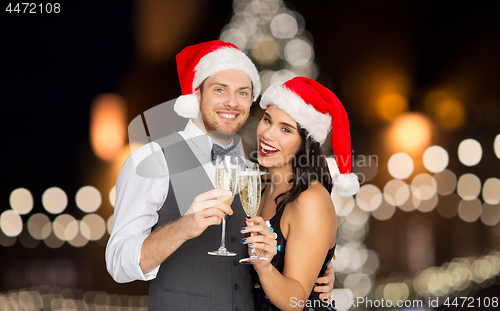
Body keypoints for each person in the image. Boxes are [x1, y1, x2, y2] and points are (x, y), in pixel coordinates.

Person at [105, 41, 335, 310]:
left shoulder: (254, 172)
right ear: (197, 94)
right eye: (219, 89)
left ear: (251, 102)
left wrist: (321, 270)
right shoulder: (153, 159)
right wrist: (183, 228)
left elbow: (298, 238)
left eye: (242, 93)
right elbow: (118, 264)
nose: (231, 102)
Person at [241, 77, 359, 310]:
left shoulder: (310, 200)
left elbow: (296, 300)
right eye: (267, 120)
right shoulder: (259, 188)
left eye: (285, 129)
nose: (268, 134)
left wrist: (264, 266)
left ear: (304, 143)